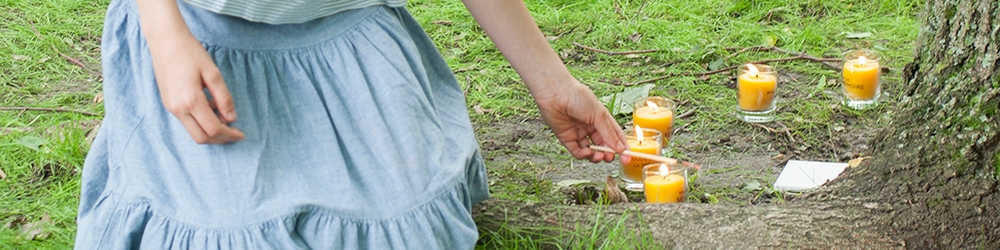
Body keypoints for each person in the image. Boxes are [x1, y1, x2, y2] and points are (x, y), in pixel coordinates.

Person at [75, 0, 627, 248]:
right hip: (205, 39)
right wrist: (165, 39)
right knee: (231, 239)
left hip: (348, 37)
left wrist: (552, 83)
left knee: (404, 233)